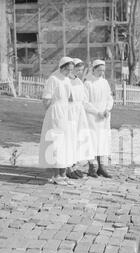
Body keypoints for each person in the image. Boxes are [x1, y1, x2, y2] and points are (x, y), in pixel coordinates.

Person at [38, 56, 76, 185]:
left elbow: (70, 97)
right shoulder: (53, 79)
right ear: (62, 68)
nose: (69, 72)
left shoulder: (67, 80)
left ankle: (63, 173)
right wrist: (52, 112)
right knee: (56, 143)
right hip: (55, 113)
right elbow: (46, 99)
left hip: (65, 113)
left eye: (71, 70)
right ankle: (55, 175)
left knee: (65, 143)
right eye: (67, 70)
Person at [66, 58, 95, 179]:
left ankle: (73, 165)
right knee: (69, 139)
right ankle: (67, 167)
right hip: (69, 113)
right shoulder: (65, 80)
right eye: (77, 69)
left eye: (81, 70)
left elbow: (83, 100)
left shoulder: (78, 81)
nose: (79, 71)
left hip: (79, 114)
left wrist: (96, 112)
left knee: (77, 140)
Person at [84, 59, 113, 178]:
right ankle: (91, 167)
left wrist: (107, 109)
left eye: (103, 70)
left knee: (102, 141)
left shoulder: (105, 82)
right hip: (92, 117)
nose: (101, 72)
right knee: (92, 141)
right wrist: (97, 112)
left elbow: (109, 98)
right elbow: (85, 102)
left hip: (104, 117)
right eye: (99, 70)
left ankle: (101, 167)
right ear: (94, 69)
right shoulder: (88, 83)